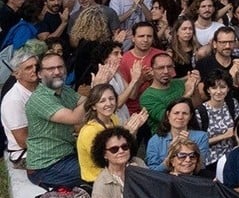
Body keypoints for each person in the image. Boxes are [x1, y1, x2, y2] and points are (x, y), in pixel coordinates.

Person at [24, 52, 111, 188]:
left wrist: (100, 89)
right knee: (106, 170)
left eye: (60, 67)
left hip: (68, 155)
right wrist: (95, 89)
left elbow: (89, 104)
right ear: (39, 74)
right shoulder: (39, 98)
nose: (57, 72)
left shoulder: (65, 90)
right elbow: (75, 117)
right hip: (46, 167)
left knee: (111, 161)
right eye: (50, 69)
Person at [76, 84, 148, 183]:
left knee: (140, 164)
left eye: (111, 99)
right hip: (98, 178)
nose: (109, 103)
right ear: (93, 106)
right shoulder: (90, 131)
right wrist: (127, 133)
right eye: (102, 101)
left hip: (116, 167)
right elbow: (104, 159)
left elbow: (124, 149)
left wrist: (133, 131)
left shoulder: (113, 118)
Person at [140, 53, 202, 134]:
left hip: (189, 131)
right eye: (161, 68)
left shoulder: (179, 83)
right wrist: (186, 95)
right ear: (152, 70)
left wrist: (194, 86)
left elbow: (197, 105)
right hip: (165, 136)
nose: (166, 71)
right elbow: (167, 118)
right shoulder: (147, 97)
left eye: (169, 67)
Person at [146, 98, 211, 172]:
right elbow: (152, 172)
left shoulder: (201, 137)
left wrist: (188, 145)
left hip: (191, 177)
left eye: (185, 113)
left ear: (190, 116)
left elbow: (200, 166)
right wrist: (172, 150)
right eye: (176, 113)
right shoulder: (155, 140)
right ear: (168, 114)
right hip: (162, 178)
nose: (180, 117)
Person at [2, 47, 40, 168]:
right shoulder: (13, 100)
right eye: (28, 68)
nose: (34, 70)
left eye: (36, 66)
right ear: (17, 73)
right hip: (25, 155)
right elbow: (23, 141)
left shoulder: (42, 87)